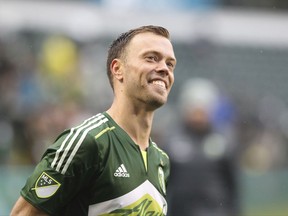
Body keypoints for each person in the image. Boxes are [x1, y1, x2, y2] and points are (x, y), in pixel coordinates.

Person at [11, 25, 177, 216]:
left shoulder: (161, 160)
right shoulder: (88, 142)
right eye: (151, 58)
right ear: (118, 69)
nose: (164, 68)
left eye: (170, 64)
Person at [163, 78, 239, 216]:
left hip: (216, 210)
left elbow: (232, 183)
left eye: (202, 109)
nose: (198, 114)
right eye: (194, 108)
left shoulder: (223, 140)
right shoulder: (173, 141)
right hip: (181, 211)